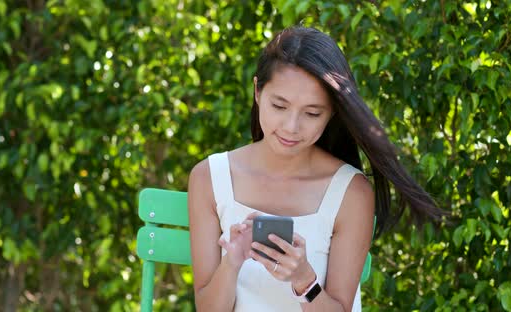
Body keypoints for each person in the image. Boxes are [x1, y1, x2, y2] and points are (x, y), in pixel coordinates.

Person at [187, 26, 444, 312]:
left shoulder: (350, 191)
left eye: (312, 113)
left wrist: (304, 280)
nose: (291, 127)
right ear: (258, 92)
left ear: (332, 112)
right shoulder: (209, 178)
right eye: (279, 106)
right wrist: (231, 262)